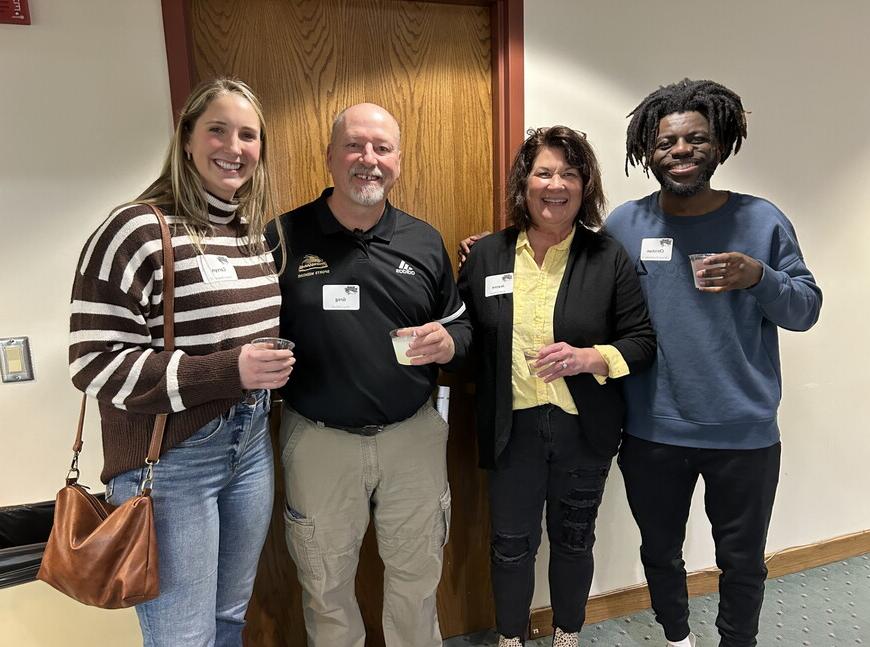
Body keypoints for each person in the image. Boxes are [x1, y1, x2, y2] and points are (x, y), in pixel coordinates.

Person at [69, 78, 294, 646]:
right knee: (181, 637)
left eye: (248, 134)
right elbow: (94, 363)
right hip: (170, 462)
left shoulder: (253, 237)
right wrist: (227, 371)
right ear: (187, 140)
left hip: (249, 445)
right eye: (217, 129)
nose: (233, 146)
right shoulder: (135, 229)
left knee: (227, 620)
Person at [605, 79, 822, 647]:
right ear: (647, 152)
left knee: (743, 562)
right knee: (659, 550)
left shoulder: (762, 220)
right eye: (666, 142)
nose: (681, 151)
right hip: (652, 427)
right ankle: (677, 637)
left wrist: (760, 277)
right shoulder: (625, 225)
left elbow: (805, 310)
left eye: (696, 139)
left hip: (743, 430)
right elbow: (583, 290)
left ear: (720, 144)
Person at [265, 102, 471, 647]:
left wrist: (451, 341)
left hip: (413, 436)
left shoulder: (423, 241)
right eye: (355, 146)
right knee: (324, 584)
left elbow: (462, 326)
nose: (368, 160)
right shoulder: (282, 237)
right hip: (317, 439)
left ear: (399, 160)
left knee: (417, 577)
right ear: (330, 157)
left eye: (382, 148)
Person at [457, 126, 656, 647]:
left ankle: (567, 632)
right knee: (510, 544)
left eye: (570, 173)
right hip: (511, 427)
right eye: (544, 172)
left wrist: (588, 357)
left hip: (582, 429)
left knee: (573, 540)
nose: (556, 184)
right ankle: (511, 638)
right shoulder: (487, 256)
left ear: (585, 185)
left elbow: (641, 342)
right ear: (524, 183)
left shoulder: (607, 256)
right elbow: (466, 336)